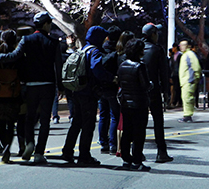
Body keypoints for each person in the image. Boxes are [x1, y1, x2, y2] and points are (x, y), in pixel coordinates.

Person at [0, 12, 62, 164]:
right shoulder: (54, 42)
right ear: (46, 24)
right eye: (50, 23)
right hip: (48, 85)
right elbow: (58, 66)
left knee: (29, 117)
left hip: (30, 85)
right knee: (45, 121)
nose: (51, 26)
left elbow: (13, 56)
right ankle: (39, 153)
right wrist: (60, 86)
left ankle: (30, 143)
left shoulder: (27, 40)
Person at [62, 26, 112, 166]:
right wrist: (109, 78)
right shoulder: (94, 51)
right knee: (88, 125)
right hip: (88, 92)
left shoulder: (82, 49)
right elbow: (97, 69)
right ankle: (84, 155)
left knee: (76, 123)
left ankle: (67, 151)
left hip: (77, 91)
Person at [0, 30, 22, 163]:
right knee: (11, 123)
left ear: (2, 40)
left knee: (1, 122)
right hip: (13, 93)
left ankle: (3, 147)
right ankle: (8, 147)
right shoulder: (18, 56)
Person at [116, 38, 152, 171]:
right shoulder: (140, 66)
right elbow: (145, 85)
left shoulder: (122, 65)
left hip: (125, 103)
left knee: (127, 132)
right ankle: (137, 160)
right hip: (139, 103)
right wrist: (152, 84)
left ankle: (126, 159)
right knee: (139, 134)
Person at [141, 24, 173, 163]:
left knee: (140, 122)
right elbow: (164, 73)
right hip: (153, 90)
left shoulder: (137, 47)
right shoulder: (157, 50)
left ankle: (138, 152)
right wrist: (166, 92)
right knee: (158, 121)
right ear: (153, 34)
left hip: (139, 90)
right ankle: (161, 152)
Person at [98, 25, 121, 155]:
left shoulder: (101, 49)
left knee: (103, 115)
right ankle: (113, 144)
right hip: (113, 86)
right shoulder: (117, 52)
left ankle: (103, 143)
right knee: (114, 116)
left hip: (101, 86)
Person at [178, 40, 201, 123]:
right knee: (185, 97)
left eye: (182, 45)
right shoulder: (185, 55)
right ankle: (187, 115)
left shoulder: (189, 54)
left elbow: (196, 67)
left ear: (187, 46)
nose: (180, 47)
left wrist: (195, 78)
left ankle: (188, 115)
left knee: (187, 98)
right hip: (185, 81)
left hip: (188, 80)